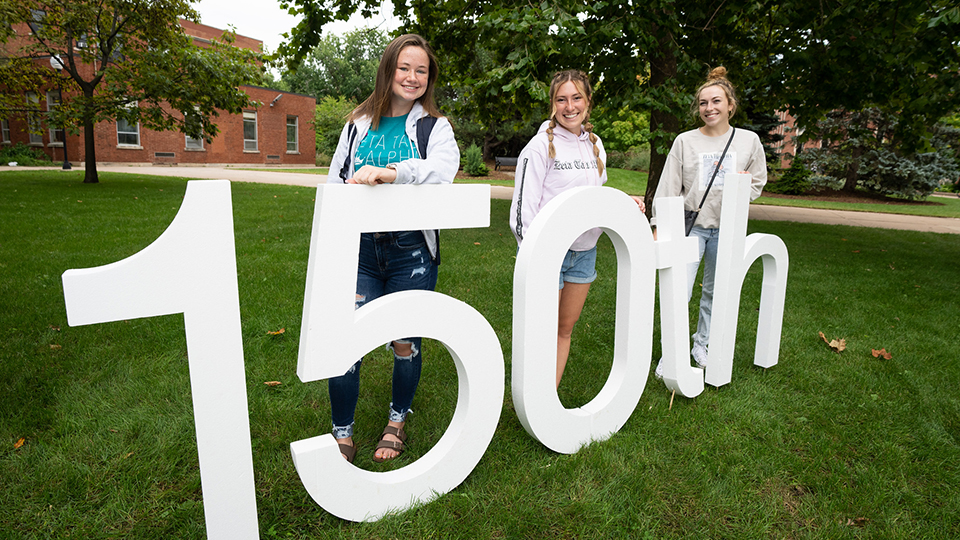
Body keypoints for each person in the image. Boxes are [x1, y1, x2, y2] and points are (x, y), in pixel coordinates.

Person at [327, 34, 459, 463]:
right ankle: (341, 430)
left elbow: (443, 172)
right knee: (345, 340)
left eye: (421, 70)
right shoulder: (356, 124)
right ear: (389, 69)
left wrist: (391, 172)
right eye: (405, 67)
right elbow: (335, 183)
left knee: (406, 340)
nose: (413, 77)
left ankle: (396, 421)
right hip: (361, 249)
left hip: (411, 251)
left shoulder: (434, 127)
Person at [510, 69, 645, 389]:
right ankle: (531, 396)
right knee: (540, 331)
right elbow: (521, 212)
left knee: (564, 329)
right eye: (561, 99)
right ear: (552, 104)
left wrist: (623, 203)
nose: (569, 106)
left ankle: (548, 399)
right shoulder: (539, 146)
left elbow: (594, 197)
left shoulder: (595, 144)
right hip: (547, 253)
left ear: (588, 102)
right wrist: (535, 255)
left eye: (576, 98)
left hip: (584, 253)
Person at [651, 66, 767, 378]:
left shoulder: (748, 141)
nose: (709, 108)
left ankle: (701, 345)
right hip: (691, 227)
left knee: (715, 292)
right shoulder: (685, 142)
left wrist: (743, 188)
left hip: (727, 229)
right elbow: (668, 187)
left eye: (716, 101)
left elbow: (757, 182)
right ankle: (670, 355)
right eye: (703, 103)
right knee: (679, 291)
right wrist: (658, 226)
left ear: (731, 104)